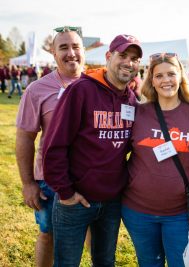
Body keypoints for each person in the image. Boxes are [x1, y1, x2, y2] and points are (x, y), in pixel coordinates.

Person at [43, 34, 142, 266]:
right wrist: (66, 192)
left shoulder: (132, 100)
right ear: (109, 57)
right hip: (75, 200)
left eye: (135, 58)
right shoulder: (81, 91)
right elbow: (54, 146)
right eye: (123, 56)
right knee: (67, 262)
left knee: (105, 261)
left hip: (112, 201)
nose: (129, 62)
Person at [122, 52, 189, 267]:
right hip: (137, 211)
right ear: (151, 81)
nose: (166, 80)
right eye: (159, 75)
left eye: (171, 74)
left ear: (181, 77)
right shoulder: (138, 113)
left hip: (181, 214)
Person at [15, 26, 85, 267]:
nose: (71, 53)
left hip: (90, 179)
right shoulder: (37, 90)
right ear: (53, 53)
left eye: (75, 46)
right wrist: (28, 183)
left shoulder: (98, 85)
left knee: (93, 237)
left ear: (83, 50)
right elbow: (25, 137)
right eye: (63, 47)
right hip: (50, 181)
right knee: (48, 234)